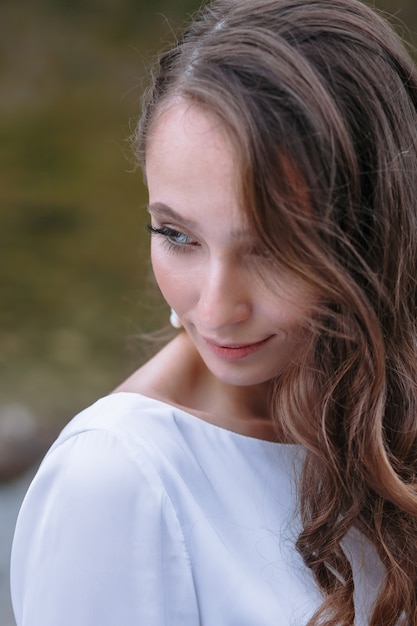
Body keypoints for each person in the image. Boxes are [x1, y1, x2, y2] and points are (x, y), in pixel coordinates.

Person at [10, 0, 417, 624]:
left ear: (372, 238)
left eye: (273, 248)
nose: (217, 309)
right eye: (176, 235)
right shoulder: (117, 483)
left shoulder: (389, 401)